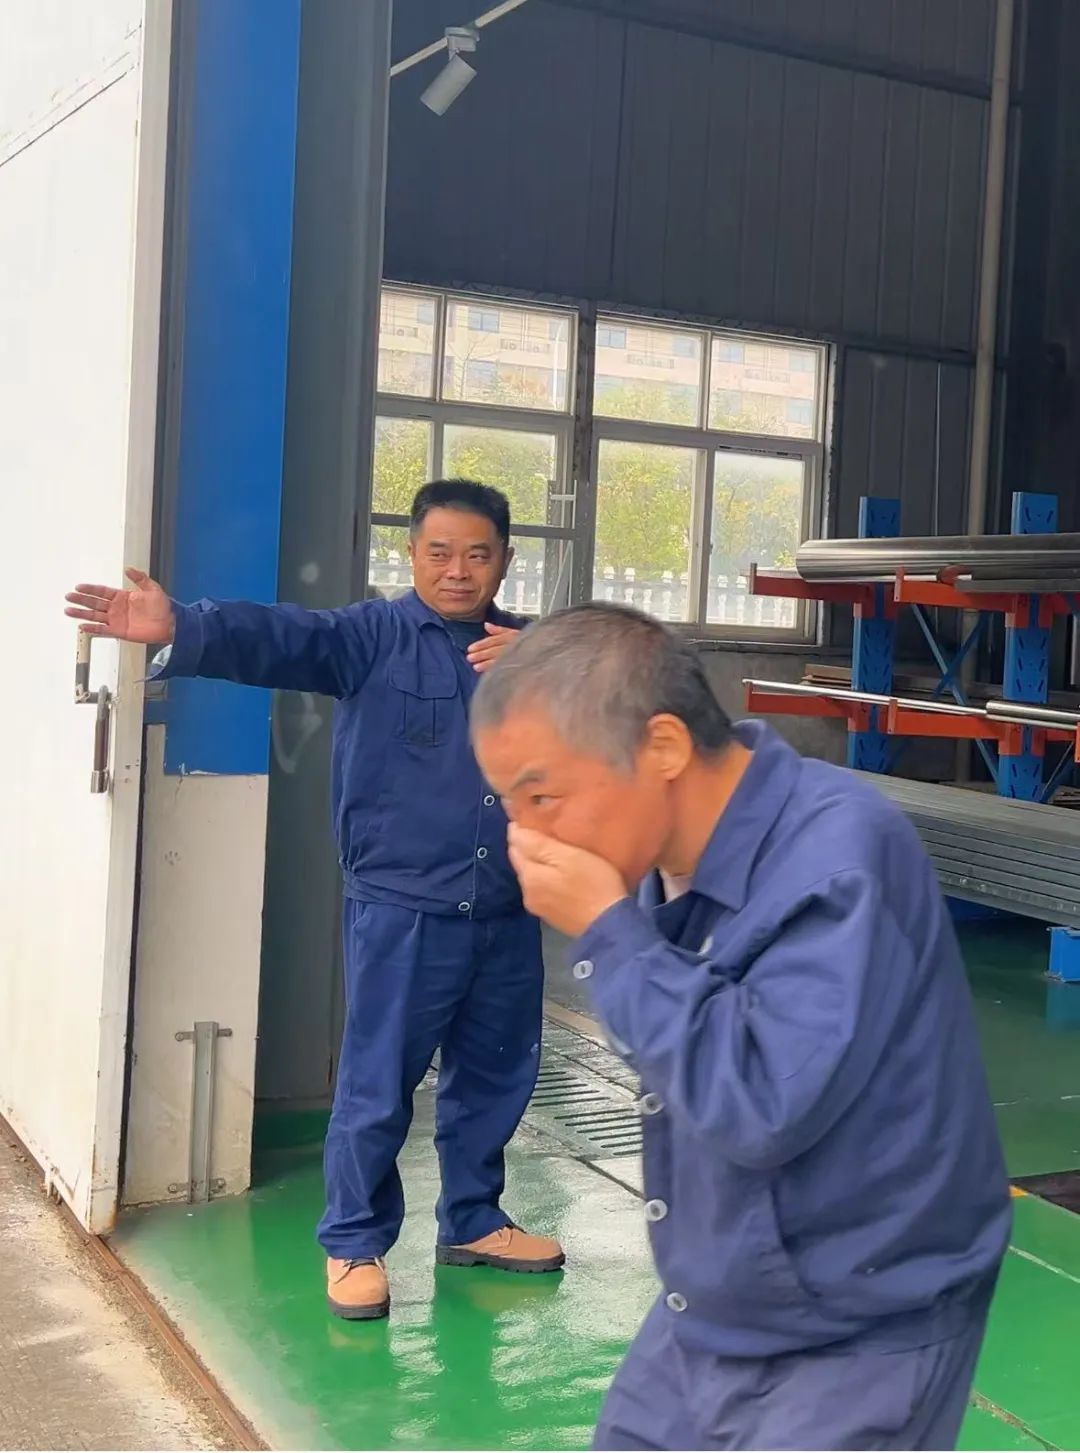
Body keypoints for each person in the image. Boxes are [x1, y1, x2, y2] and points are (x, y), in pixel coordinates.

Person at [470, 602, 1011, 1452]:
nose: (525, 836)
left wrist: (610, 931)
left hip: (855, 1325)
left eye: (543, 797)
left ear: (663, 747)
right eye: (510, 804)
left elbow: (761, 1101)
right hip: (722, 1302)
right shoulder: (660, 855)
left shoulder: (839, 860)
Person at [65, 479, 565, 1321]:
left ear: (506, 560)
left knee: (495, 1074)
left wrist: (553, 663)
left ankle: (474, 1220)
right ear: (412, 555)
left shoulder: (538, 652)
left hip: (509, 903)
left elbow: (631, 687)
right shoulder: (369, 637)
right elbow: (281, 637)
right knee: (378, 1083)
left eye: (478, 554)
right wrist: (180, 622)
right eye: (440, 552)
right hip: (404, 907)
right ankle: (355, 1241)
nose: (458, 570)